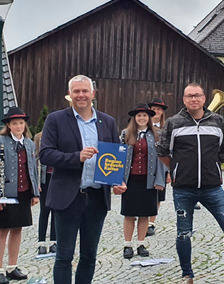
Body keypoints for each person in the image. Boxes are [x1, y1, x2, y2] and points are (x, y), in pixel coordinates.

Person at [156, 83, 224, 284]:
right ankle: (187, 275)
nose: (193, 99)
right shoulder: (174, 122)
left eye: (197, 96)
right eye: (189, 96)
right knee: (183, 234)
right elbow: (162, 151)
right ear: (184, 99)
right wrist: (177, 169)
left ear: (204, 98)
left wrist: (211, 166)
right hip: (183, 189)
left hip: (212, 187)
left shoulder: (217, 121)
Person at [40, 75, 126, 284]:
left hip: (96, 198)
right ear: (70, 95)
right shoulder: (56, 119)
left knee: (89, 256)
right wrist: (76, 157)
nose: (81, 95)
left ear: (93, 94)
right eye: (76, 91)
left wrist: (118, 181)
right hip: (68, 197)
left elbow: (115, 157)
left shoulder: (108, 121)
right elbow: (45, 154)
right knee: (64, 256)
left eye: (85, 91)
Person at [118, 104, 165, 259]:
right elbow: (119, 158)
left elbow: (161, 160)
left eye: (145, 116)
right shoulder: (126, 134)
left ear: (149, 118)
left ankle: (141, 243)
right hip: (130, 179)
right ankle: (127, 245)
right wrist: (117, 180)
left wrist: (160, 179)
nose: (142, 118)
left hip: (148, 179)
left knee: (145, 214)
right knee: (129, 213)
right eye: (139, 116)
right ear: (134, 118)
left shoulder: (156, 134)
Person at [0, 107, 40, 284]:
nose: (18, 126)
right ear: (8, 125)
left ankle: (12, 267)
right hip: (6, 194)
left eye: (21, 123)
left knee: (18, 229)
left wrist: (35, 192)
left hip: (24, 193)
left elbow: (33, 169)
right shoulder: (1, 142)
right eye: (14, 123)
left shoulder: (29, 144)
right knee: (2, 231)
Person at [147, 98, 169, 237]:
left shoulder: (166, 128)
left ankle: (151, 223)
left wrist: (169, 172)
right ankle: (143, 217)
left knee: (158, 196)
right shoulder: (142, 126)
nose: (156, 111)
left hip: (161, 165)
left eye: (159, 109)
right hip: (147, 164)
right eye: (154, 109)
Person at [34, 131, 57, 255]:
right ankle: (41, 243)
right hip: (44, 179)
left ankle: (54, 241)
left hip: (57, 178)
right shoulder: (39, 137)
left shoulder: (61, 135)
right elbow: (35, 160)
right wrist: (36, 183)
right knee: (44, 211)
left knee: (55, 210)